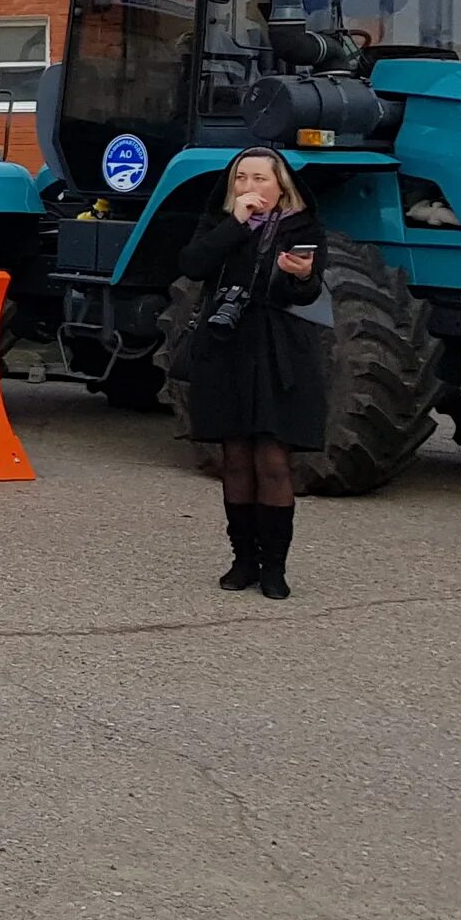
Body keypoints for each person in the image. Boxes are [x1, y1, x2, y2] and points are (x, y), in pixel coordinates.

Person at [177, 147, 323, 600]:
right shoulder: (222, 224)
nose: (250, 187)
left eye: (260, 179)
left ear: (281, 186)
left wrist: (301, 276)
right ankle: (243, 560)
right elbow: (193, 264)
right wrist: (235, 224)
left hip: (279, 347)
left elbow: (310, 293)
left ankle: (275, 567)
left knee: (273, 460)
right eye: (241, 178)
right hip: (228, 347)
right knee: (234, 457)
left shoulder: (301, 227)